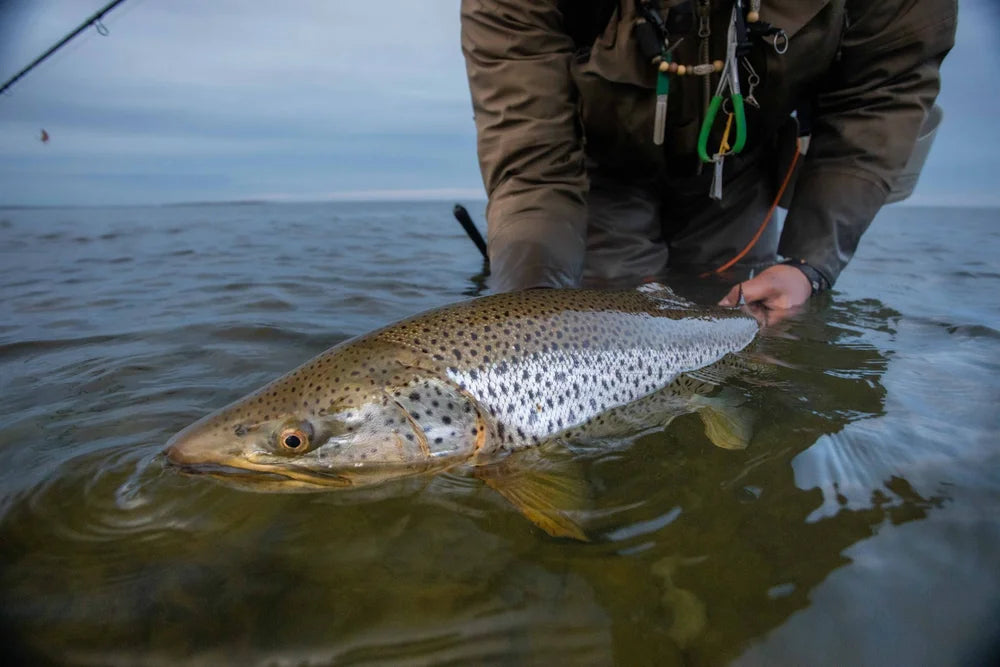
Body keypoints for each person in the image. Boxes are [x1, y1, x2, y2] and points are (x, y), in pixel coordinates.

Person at [460, 0, 956, 319]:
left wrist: (809, 265)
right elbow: (533, 159)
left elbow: (880, 96)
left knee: (741, 321)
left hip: (739, 164)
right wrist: (531, 303)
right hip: (595, 169)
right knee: (599, 306)